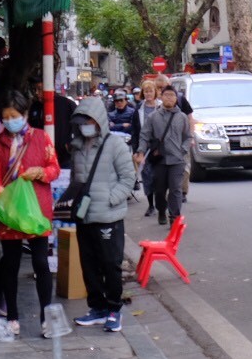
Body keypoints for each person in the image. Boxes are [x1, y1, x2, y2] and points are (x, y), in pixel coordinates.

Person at [0, 90, 60, 337]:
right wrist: (6, 205)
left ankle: (46, 317)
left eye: (15, 115)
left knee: (40, 262)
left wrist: (39, 172)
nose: (10, 121)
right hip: (10, 214)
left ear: (25, 114)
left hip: (37, 209)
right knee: (10, 263)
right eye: (5, 117)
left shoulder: (40, 138)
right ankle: (13, 317)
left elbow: (54, 169)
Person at [65, 98, 137, 332]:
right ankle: (97, 308)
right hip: (84, 217)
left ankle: (114, 309)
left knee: (110, 265)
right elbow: (75, 180)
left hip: (108, 218)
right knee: (89, 265)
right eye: (82, 121)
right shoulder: (76, 147)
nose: (86, 125)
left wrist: (110, 199)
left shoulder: (115, 145)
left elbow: (129, 178)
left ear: (99, 120)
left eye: (89, 120)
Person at [138, 84, 192, 226]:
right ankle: (161, 210)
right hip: (159, 160)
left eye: (172, 95)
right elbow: (144, 135)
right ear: (161, 97)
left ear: (176, 99)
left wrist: (183, 149)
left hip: (177, 160)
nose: (169, 98)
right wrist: (140, 151)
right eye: (166, 95)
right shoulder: (153, 117)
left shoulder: (182, 117)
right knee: (160, 190)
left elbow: (188, 136)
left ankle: (174, 216)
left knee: (175, 189)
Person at [134, 78, 165, 214]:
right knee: (147, 176)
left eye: (150, 91)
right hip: (145, 147)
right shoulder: (138, 110)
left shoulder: (162, 107)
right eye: (145, 91)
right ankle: (151, 205)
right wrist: (137, 150)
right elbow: (135, 131)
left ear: (155, 92)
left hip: (160, 147)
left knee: (161, 176)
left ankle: (162, 204)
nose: (148, 94)